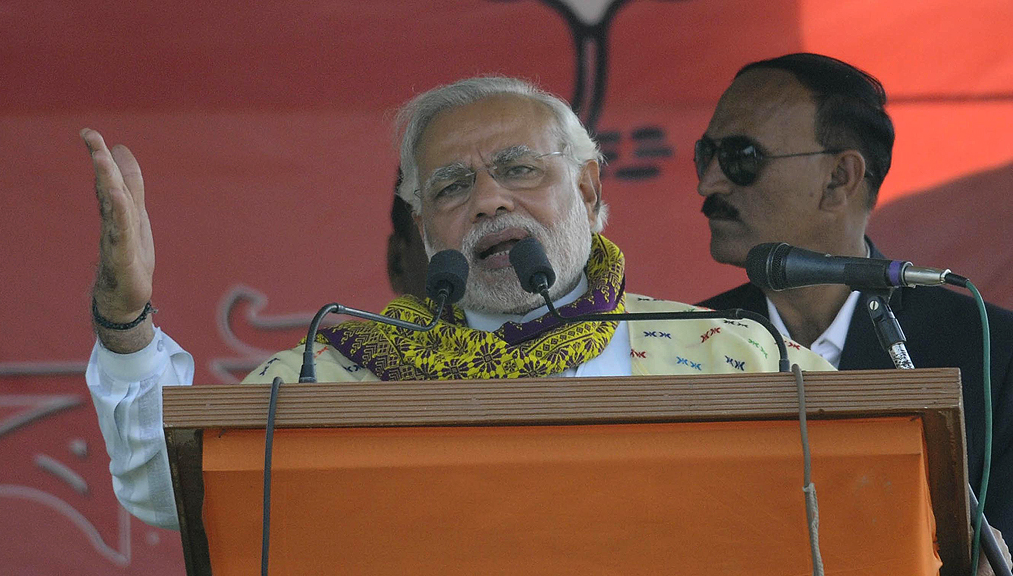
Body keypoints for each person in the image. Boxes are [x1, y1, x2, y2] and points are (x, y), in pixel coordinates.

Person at [83, 76, 832, 531]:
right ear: (424, 228)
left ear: (590, 190)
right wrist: (127, 324)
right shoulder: (334, 378)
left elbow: (860, 481)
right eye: (451, 187)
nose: (488, 202)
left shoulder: (729, 354)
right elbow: (170, 491)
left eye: (517, 169)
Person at [694, 53, 1013, 541]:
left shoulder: (992, 351)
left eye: (741, 158)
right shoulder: (679, 342)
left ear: (839, 179)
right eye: (706, 154)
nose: (707, 182)